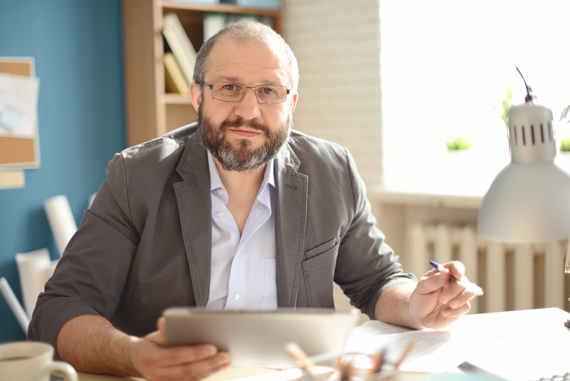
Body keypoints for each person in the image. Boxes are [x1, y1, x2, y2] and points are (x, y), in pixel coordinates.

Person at [29, 21, 477, 381]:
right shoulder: (136, 176)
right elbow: (60, 309)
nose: (249, 110)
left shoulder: (333, 171)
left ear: (291, 103)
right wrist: (134, 357)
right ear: (197, 95)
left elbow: (377, 280)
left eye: (269, 90)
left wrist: (414, 305)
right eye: (229, 87)